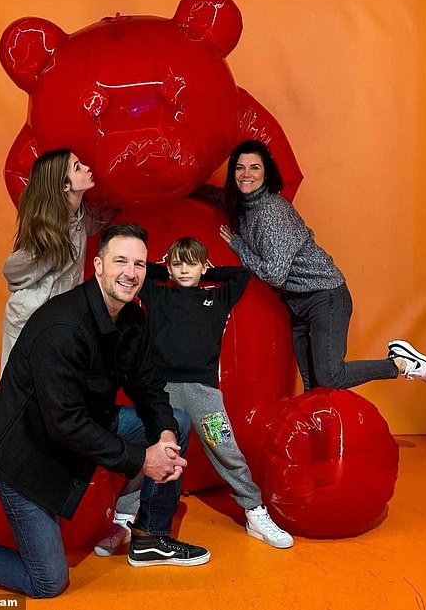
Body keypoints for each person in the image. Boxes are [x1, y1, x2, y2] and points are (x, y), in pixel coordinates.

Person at [0, 224, 210, 598]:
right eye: (121, 261)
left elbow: (146, 385)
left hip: (80, 425)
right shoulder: (63, 326)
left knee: (176, 421)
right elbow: (64, 423)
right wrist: (143, 460)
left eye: (140, 264)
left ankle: (150, 537)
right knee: (48, 581)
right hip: (25, 456)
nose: (131, 273)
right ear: (98, 266)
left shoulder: (132, 318)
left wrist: (162, 436)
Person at [94, 237, 293, 556]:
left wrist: (206, 275)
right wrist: (170, 271)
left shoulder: (218, 296)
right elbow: (144, 275)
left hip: (204, 395)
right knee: (148, 452)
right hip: (161, 392)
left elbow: (239, 276)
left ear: (204, 266)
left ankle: (255, 512)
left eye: (192, 263)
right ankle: (123, 520)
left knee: (226, 449)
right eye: (177, 264)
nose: (184, 269)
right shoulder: (159, 294)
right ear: (169, 268)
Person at [219, 139, 426, 392]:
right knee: (314, 388)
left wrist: (238, 245)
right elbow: (221, 197)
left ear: (266, 173)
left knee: (330, 377)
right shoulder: (246, 206)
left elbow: (275, 274)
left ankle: (400, 364)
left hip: (324, 296)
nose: (246, 174)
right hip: (298, 303)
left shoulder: (270, 212)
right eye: (239, 168)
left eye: (254, 167)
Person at [0, 147, 112, 372]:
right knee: (18, 393)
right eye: (77, 168)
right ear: (65, 186)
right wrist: (45, 258)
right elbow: (11, 270)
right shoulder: (48, 232)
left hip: (57, 320)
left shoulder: (80, 217)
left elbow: (101, 218)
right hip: (28, 318)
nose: (87, 169)